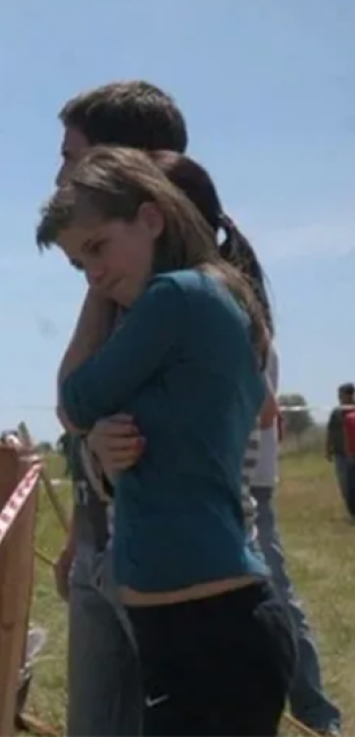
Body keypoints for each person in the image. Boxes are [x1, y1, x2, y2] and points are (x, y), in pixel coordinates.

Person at [43, 146, 295, 737]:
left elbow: (74, 399)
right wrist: (100, 442)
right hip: (196, 627)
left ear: (152, 219)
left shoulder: (174, 298)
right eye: (79, 265)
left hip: (209, 629)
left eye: (98, 247)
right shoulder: (205, 300)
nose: (94, 274)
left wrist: (96, 301)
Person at [103, 151, 341, 735]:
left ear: (161, 222)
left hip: (226, 529)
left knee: (272, 608)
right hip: (200, 545)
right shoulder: (196, 308)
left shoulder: (204, 310)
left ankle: (318, 714)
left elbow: (80, 397)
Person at [52, 79, 188, 737]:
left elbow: (77, 401)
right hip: (104, 542)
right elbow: (79, 409)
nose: (61, 178)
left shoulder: (194, 280)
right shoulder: (115, 279)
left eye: (72, 158)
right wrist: (80, 534)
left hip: (173, 561)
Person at [326, 383, 355, 521]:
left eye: (341, 394)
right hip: (340, 453)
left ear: (349, 395)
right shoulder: (336, 412)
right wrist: (328, 449)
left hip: (353, 453)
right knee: (344, 484)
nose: (339, 397)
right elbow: (330, 431)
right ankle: (351, 512)